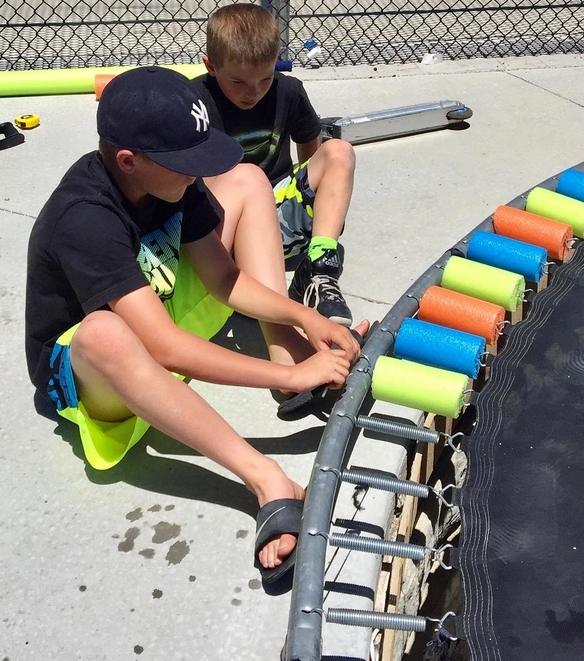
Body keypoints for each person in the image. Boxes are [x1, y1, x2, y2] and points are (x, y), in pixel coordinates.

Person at [25, 66, 366, 586]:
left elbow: (223, 277)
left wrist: (305, 317)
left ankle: (285, 349)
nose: (195, 174)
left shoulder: (167, 184)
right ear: (128, 161)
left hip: (155, 312)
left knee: (249, 180)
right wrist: (291, 380)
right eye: (185, 165)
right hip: (98, 379)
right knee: (105, 332)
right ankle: (265, 479)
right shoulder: (84, 215)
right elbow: (165, 349)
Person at [193, 3, 356, 327]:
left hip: (277, 203)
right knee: (243, 175)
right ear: (211, 66)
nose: (252, 92)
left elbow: (310, 153)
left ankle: (319, 269)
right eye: (238, 82)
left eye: (265, 79)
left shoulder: (288, 90)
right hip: (225, 222)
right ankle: (248, 288)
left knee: (339, 151)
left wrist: (314, 203)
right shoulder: (194, 101)